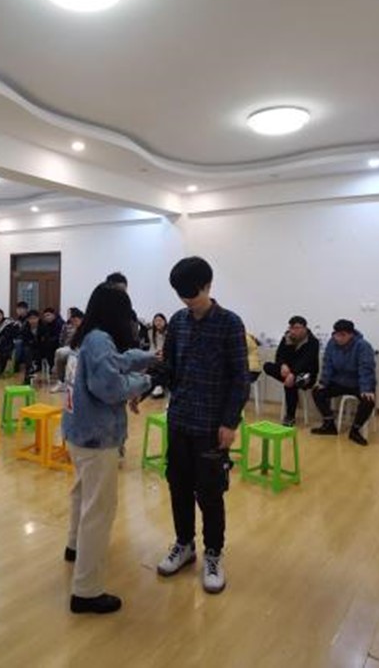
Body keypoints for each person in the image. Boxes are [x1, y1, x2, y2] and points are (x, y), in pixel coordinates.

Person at [156, 257, 249, 595]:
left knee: (209, 493)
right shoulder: (178, 322)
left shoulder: (229, 323)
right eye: (181, 295)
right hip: (179, 420)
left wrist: (229, 421)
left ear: (208, 285)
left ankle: (213, 554)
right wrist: (145, 385)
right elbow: (168, 368)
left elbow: (240, 378)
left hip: (211, 425)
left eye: (192, 294)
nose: (187, 301)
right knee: (177, 486)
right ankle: (184, 544)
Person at [62, 283, 153, 614]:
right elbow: (110, 387)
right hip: (96, 437)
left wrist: (149, 358)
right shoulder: (100, 339)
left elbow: (116, 361)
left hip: (77, 432)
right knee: (99, 511)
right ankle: (86, 591)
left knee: (81, 494)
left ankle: (74, 547)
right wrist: (146, 381)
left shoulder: (86, 337)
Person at [311, 319, 376, 446]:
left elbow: (366, 369)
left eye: (342, 335)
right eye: (336, 334)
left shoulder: (363, 346)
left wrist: (366, 389)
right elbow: (327, 364)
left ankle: (355, 430)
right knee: (317, 391)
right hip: (339, 381)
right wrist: (323, 382)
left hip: (357, 383)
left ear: (351, 334)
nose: (338, 338)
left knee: (368, 400)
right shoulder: (332, 343)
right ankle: (329, 424)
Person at [262, 315, 320, 425]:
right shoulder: (287, 338)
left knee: (291, 383)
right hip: (288, 372)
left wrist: (293, 374)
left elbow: (305, 361)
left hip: (307, 375)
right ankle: (289, 381)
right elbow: (279, 355)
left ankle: (290, 416)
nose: (293, 331)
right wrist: (283, 365)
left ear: (304, 328)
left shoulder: (313, 342)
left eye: (296, 328)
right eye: (291, 328)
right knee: (267, 366)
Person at [50, 308, 83, 393]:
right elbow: (70, 343)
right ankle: (61, 382)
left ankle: (70, 384)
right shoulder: (70, 326)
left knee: (72, 358)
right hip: (73, 348)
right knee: (59, 352)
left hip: (83, 350)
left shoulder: (87, 327)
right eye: (72, 321)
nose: (74, 323)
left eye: (75, 320)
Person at [38, 307, 65, 373]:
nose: (47, 317)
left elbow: (59, 336)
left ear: (53, 315)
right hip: (51, 343)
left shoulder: (59, 323)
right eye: (45, 316)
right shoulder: (47, 324)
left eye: (48, 315)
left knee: (48, 345)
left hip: (59, 344)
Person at [18, 309, 42, 384]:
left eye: (35, 318)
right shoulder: (25, 327)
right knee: (27, 351)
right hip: (29, 348)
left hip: (41, 348)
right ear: (28, 320)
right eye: (31, 318)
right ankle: (28, 374)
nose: (33, 320)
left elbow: (45, 340)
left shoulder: (43, 326)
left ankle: (33, 372)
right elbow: (24, 341)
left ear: (38, 318)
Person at [147, 313, 167, 397]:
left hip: (165, 356)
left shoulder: (169, 333)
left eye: (160, 320)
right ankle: (152, 385)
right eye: (156, 321)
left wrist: (163, 353)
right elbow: (152, 347)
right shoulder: (150, 332)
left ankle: (159, 386)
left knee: (160, 365)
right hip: (155, 355)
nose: (158, 323)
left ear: (165, 321)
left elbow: (170, 347)